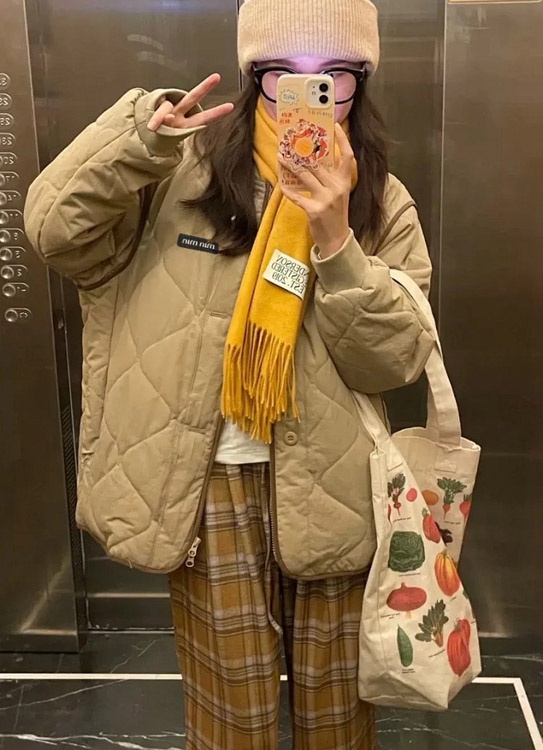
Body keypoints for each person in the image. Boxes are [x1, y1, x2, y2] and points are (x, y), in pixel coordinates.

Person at [24, 0, 435, 747]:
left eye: (333, 74)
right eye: (283, 72)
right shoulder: (174, 174)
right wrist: (133, 142)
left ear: (360, 81)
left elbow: (395, 358)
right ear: (253, 76)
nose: (307, 93)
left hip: (336, 487)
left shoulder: (381, 201)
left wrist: (337, 241)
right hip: (209, 484)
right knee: (230, 719)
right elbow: (55, 233)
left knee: (338, 721)